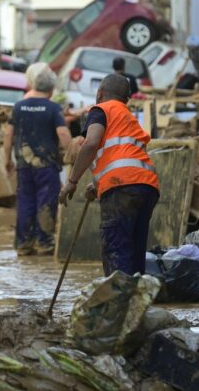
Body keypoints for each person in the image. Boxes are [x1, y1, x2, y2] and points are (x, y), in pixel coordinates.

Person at [59, 73, 160, 276]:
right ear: (127, 99)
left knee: (117, 251)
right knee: (134, 253)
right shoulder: (128, 118)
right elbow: (122, 157)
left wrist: (72, 181)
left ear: (99, 93)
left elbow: (91, 143)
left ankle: (118, 304)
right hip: (147, 187)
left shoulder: (100, 110)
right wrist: (97, 186)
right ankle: (136, 303)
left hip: (122, 188)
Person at [4, 64, 72, 256]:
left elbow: (8, 135)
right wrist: (73, 153)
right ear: (51, 90)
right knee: (46, 201)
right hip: (46, 166)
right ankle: (44, 243)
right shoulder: (53, 108)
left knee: (25, 201)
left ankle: (24, 244)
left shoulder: (18, 107)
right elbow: (63, 133)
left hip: (23, 165)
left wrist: (6, 160)